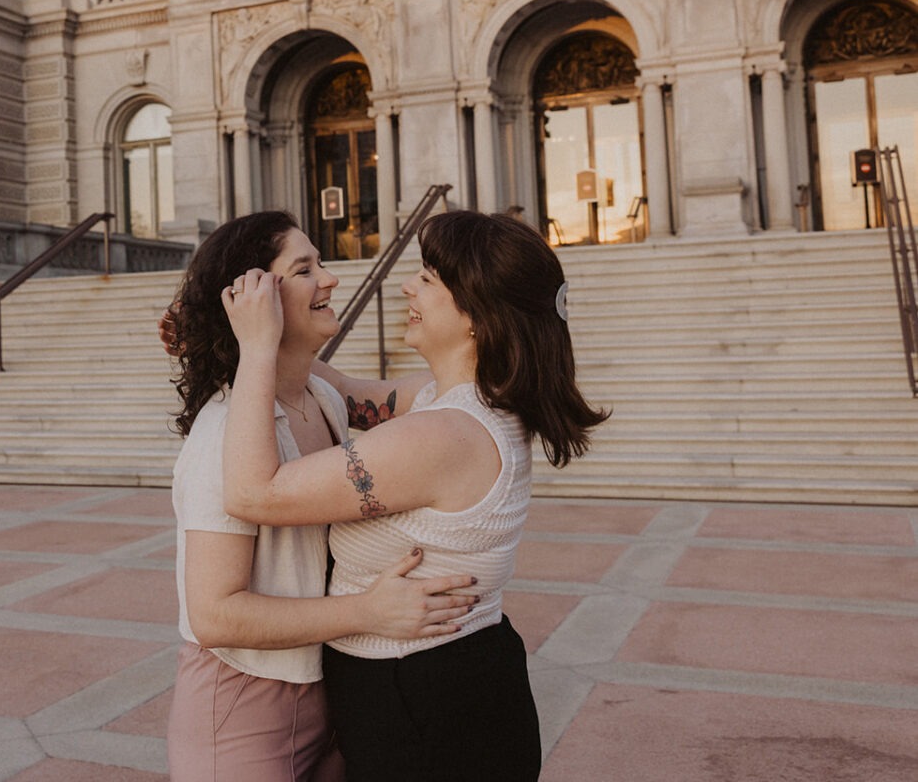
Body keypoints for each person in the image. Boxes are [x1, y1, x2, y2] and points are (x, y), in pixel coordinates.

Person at [220, 209, 610, 782]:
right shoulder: (456, 400)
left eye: (428, 277)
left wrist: (255, 349)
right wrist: (235, 331)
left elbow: (254, 494)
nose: (407, 286)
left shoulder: (442, 436)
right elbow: (344, 393)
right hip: (447, 683)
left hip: (423, 700)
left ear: (476, 315)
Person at [165, 210, 480, 782]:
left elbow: (419, 397)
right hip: (242, 708)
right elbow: (214, 614)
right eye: (305, 268)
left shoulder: (323, 399)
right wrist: (367, 612)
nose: (330, 278)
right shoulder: (223, 437)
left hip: (323, 695)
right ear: (255, 296)